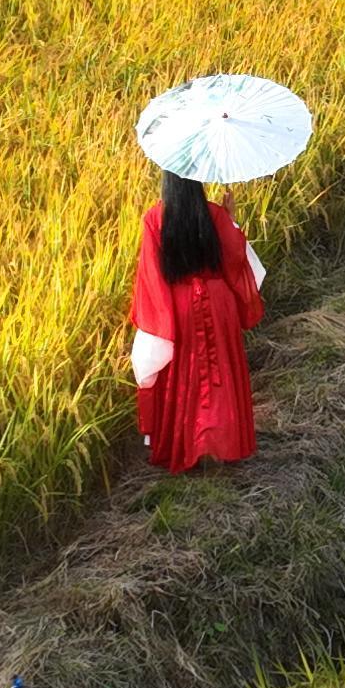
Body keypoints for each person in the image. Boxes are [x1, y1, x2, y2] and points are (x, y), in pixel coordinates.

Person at [128, 170, 264, 471]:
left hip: (179, 307)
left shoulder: (154, 219)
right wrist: (230, 219)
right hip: (219, 304)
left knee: (185, 377)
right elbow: (235, 258)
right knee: (220, 374)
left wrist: (162, 319)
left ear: (168, 183)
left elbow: (151, 274)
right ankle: (221, 447)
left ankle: (191, 448)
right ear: (196, 180)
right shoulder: (213, 214)